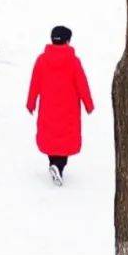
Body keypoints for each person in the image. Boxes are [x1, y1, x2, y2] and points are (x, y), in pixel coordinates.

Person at [26, 25, 95, 186]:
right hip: (68, 110)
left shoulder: (42, 60)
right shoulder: (73, 62)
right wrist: (88, 104)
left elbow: (34, 82)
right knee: (65, 141)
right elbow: (82, 84)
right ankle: (59, 166)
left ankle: (53, 164)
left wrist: (31, 102)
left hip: (48, 107)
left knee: (50, 138)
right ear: (68, 41)